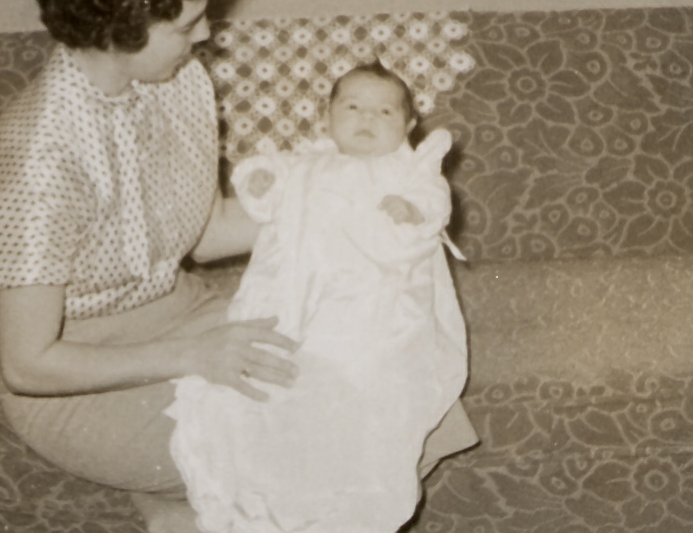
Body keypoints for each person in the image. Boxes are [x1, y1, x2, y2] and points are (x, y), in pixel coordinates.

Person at [0, 0, 297, 533]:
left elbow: (206, 230)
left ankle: (183, 507)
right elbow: (28, 365)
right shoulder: (37, 158)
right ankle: (189, 500)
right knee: (304, 436)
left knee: (358, 358)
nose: (207, 36)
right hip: (82, 376)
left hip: (179, 311)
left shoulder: (175, 83)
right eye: (186, 26)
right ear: (119, 28)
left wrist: (338, 208)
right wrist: (194, 357)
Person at [167, 62, 477, 533]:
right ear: (327, 118)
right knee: (276, 391)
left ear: (409, 126)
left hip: (373, 307)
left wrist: (411, 210)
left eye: (385, 111)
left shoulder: (409, 170)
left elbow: (433, 207)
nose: (367, 119)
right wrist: (262, 183)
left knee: (365, 389)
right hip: (298, 298)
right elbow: (262, 181)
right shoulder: (305, 164)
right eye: (352, 107)